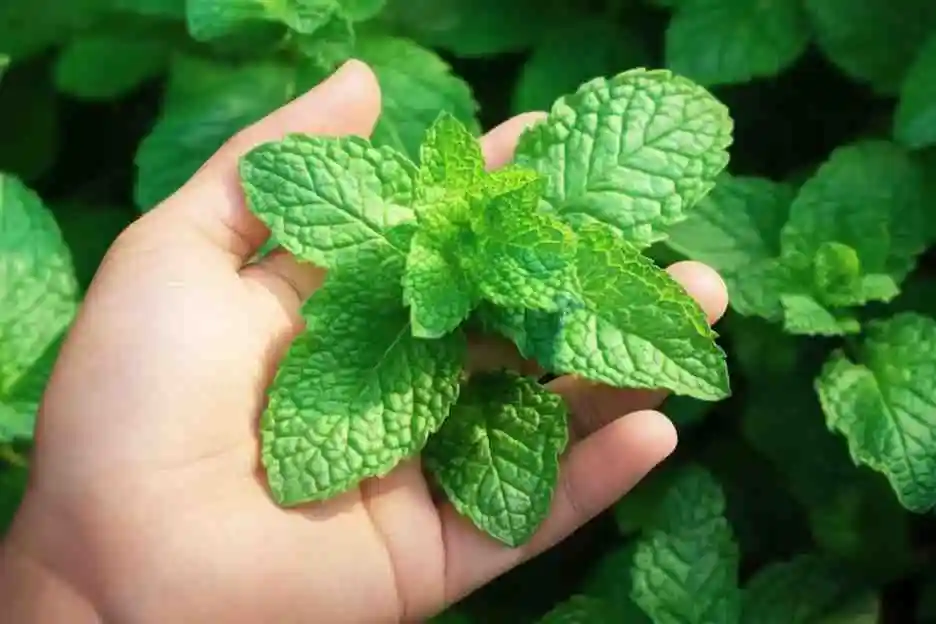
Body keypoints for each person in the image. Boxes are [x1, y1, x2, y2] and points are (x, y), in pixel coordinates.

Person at [0, 60, 728, 623]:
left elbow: (663, 138)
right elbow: (312, 199)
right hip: (414, 289)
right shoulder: (416, 266)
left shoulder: (509, 257)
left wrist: (87, 592)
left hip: (495, 276)